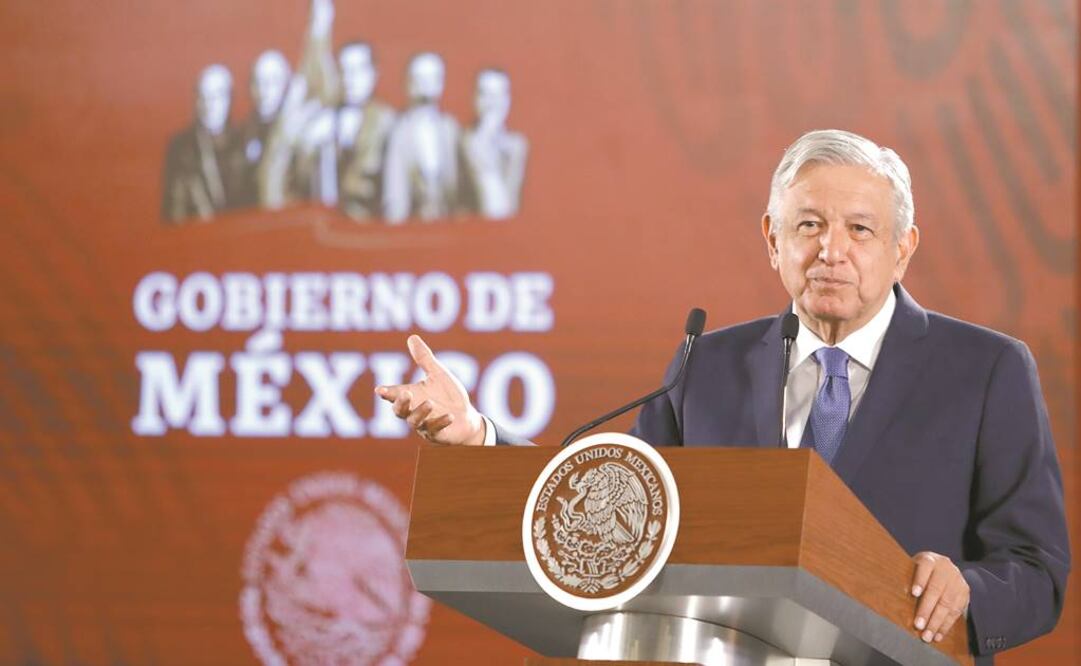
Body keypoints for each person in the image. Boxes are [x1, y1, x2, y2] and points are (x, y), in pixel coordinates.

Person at [373, 129, 1070, 663]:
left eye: (858, 229)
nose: (831, 249)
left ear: (902, 247)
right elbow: (614, 506)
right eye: (807, 225)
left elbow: (1037, 572)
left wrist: (969, 592)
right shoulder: (704, 367)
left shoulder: (985, 370)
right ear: (771, 240)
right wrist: (476, 441)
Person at [382, 52, 461, 223]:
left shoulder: (450, 129)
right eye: (419, 79)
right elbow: (395, 191)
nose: (425, 87)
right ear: (409, 84)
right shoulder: (399, 132)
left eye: (432, 79)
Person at [161, 64, 235, 223]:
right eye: (203, 97)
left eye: (216, 96)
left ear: (229, 98)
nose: (209, 105)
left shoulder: (242, 139)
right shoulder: (181, 148)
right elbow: (175, 210)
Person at [334, 41, 396, 220]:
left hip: (371, 222)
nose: (349, 79)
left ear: (374, 74)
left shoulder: (387, 122)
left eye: (358, 70)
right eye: (343, 71)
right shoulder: (326, 120)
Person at [457, 69, 528, 219]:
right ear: (475, 99)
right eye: (485, 95)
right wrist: (483, 138)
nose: (492, 103)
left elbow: (509, 206)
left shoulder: (517, 146)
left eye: (497, 95)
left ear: (507, 99)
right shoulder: (464, 142)